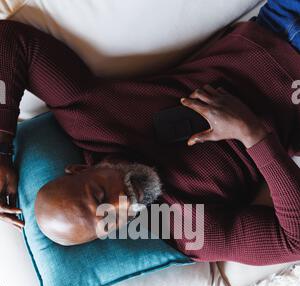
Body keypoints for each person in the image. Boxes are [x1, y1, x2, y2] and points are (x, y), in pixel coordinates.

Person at [0, 0, 300, 265]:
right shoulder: (187, 229)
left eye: (100, 194)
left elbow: (10, 41)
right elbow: (294, 242)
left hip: (277, 26)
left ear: (79, 169)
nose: (123, 204)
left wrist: (2, 146)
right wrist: (253, 134)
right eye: (108, 220)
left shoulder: (91, 119)